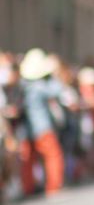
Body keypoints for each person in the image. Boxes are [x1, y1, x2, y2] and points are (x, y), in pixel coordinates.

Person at [16, 49, 64, 197]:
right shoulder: (40, 85)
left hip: (26, 128)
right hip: (42, 127)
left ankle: (28, 187)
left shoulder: (23, 85)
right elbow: (58, 91)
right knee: (53, 156)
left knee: (28, 159)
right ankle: (53, 186)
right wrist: (53, 76)